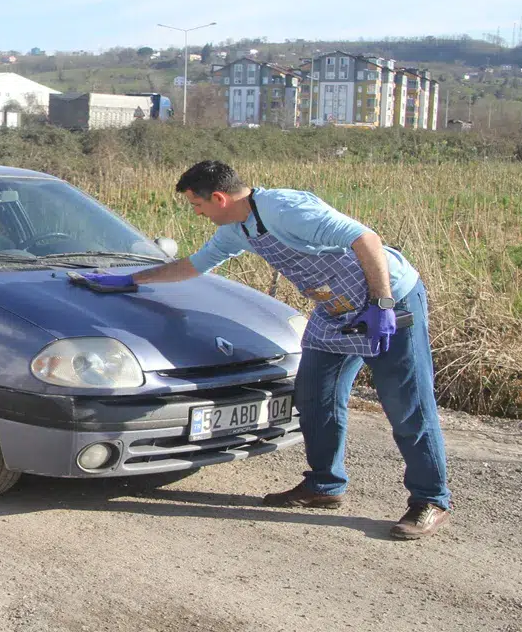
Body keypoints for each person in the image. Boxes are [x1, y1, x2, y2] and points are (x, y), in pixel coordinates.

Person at [82, 160, 452, 541]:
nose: (197, 214)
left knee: (406, 404)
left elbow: (366, 240)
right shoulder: (237, 228)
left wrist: (382, 304)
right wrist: (132, 280)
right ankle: (324, 485)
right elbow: (194, 266)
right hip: (335, 309)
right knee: (315, 395)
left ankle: (431, 499)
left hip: (388, 300)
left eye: (197, 205)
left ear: (219, 198)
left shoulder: (286, 210)